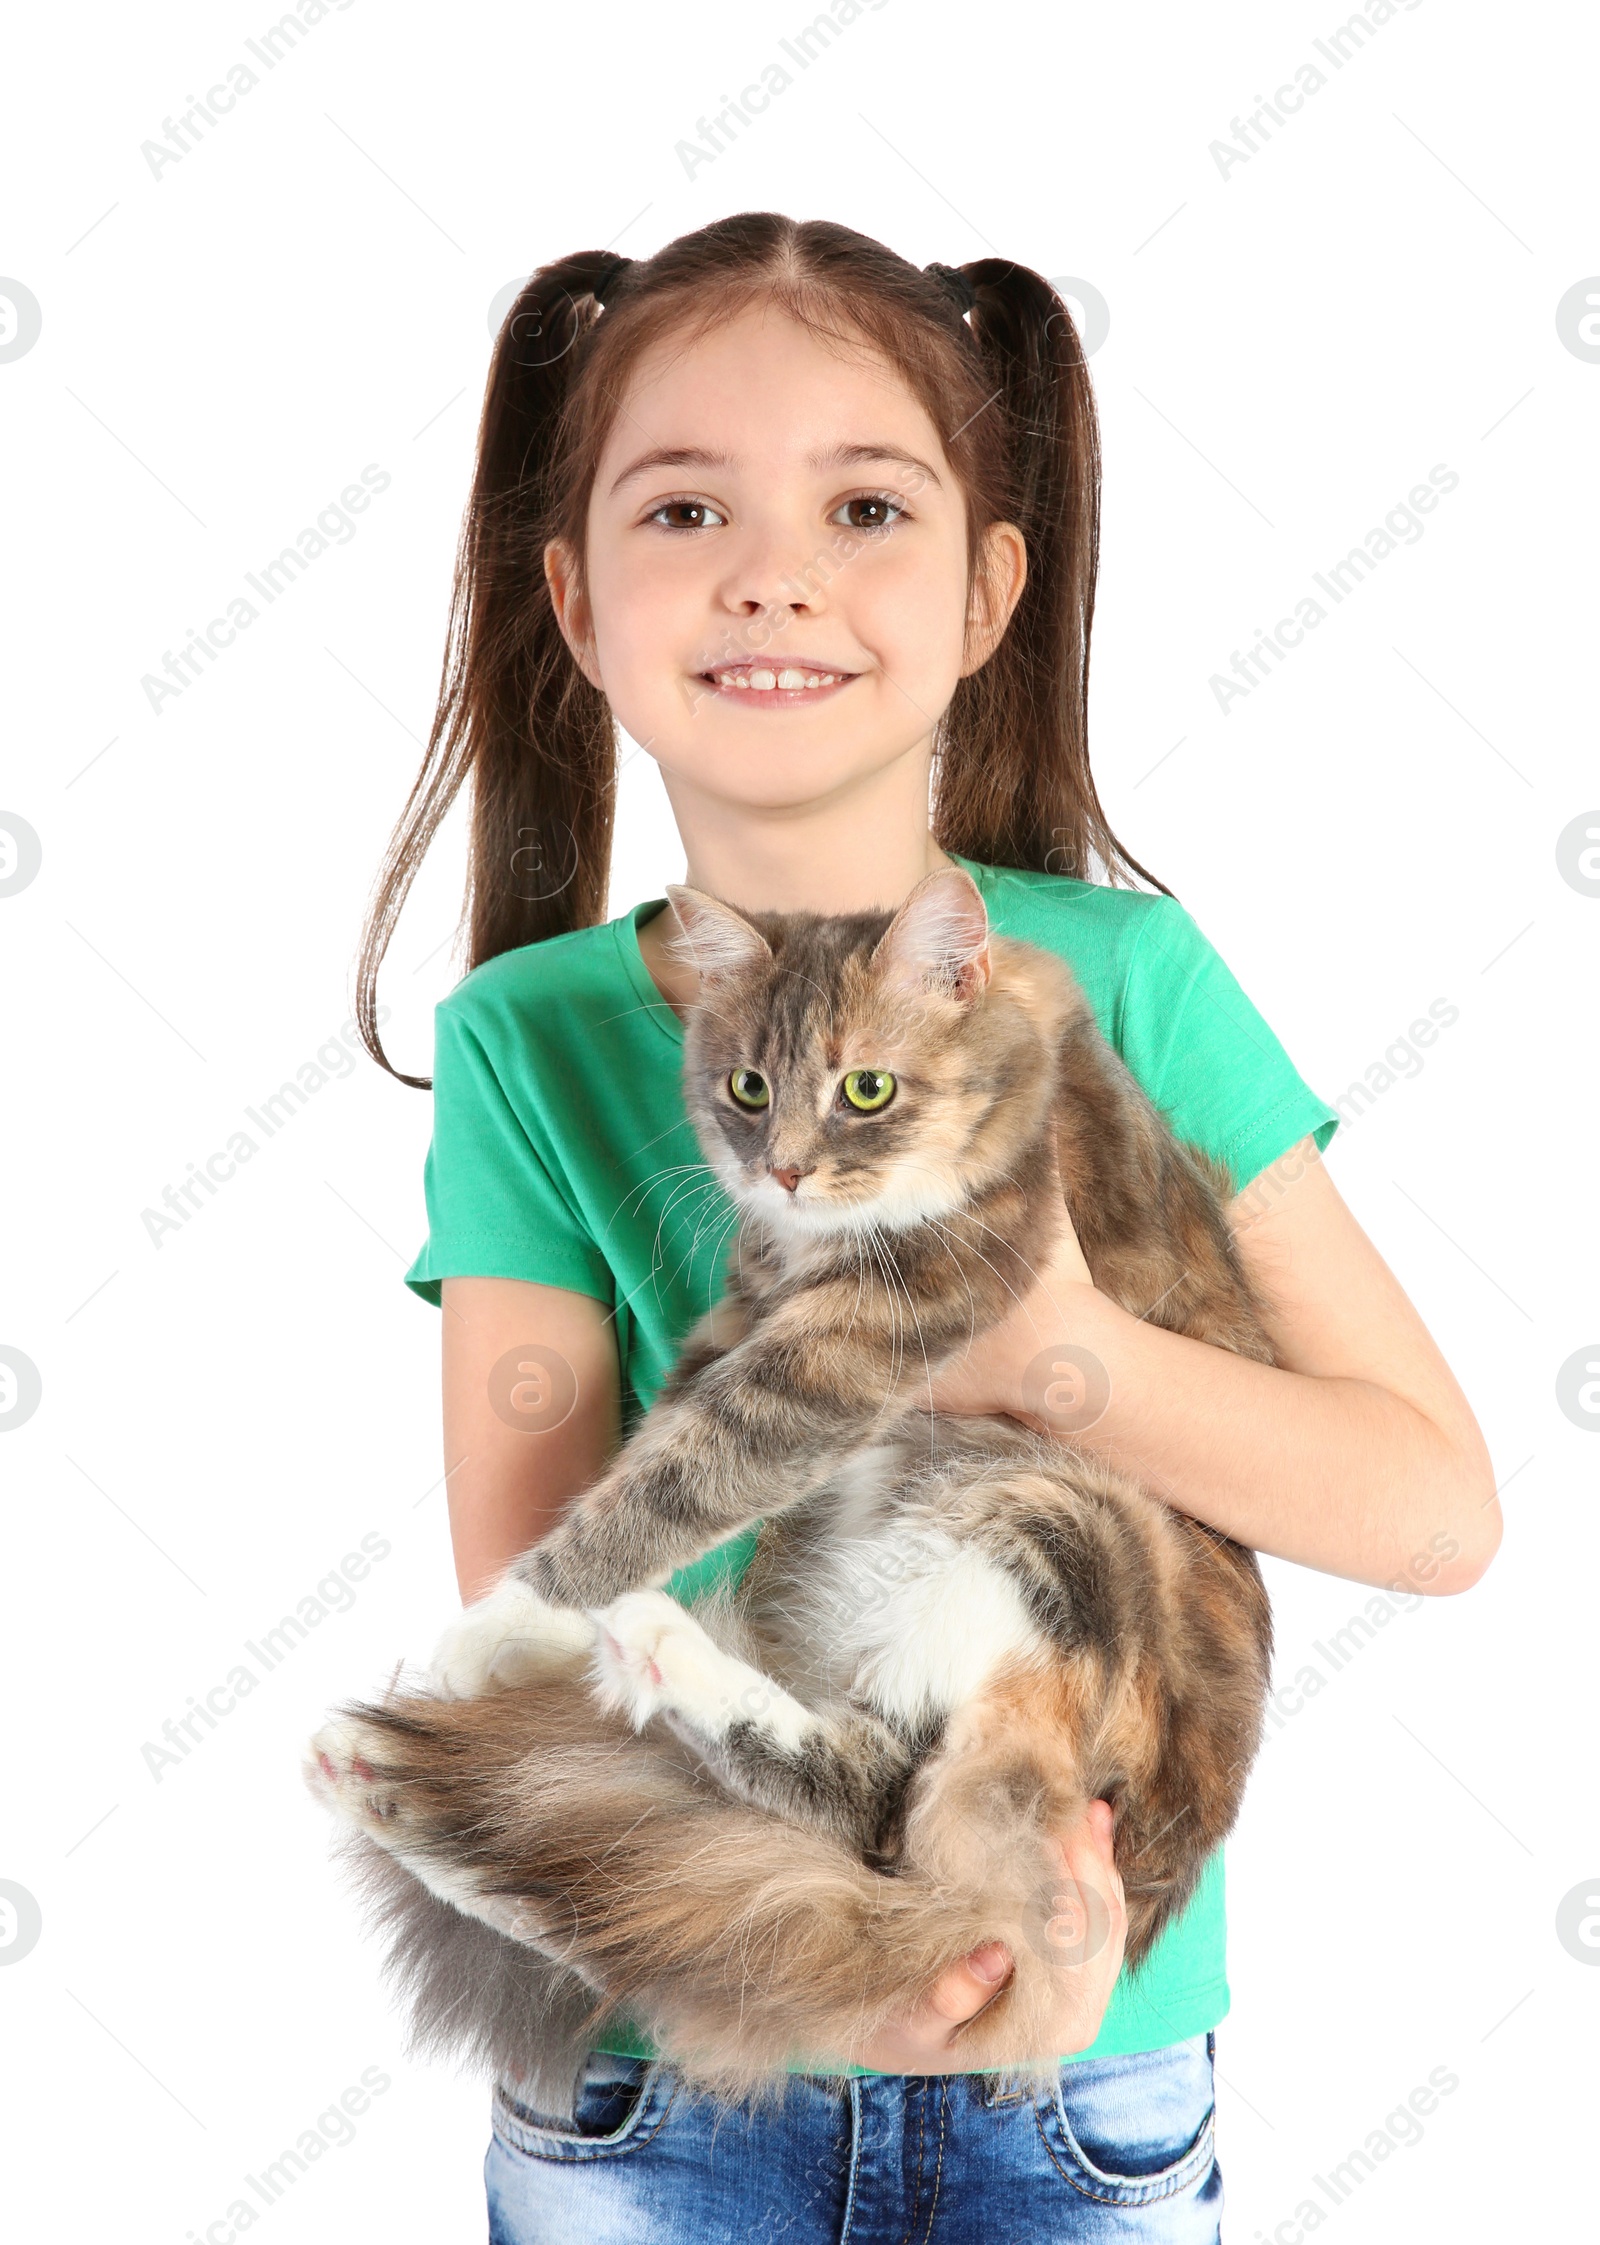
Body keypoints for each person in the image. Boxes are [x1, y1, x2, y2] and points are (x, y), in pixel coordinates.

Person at [356, 213, 1500, 2243]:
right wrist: (810, 1946)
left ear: (985, 593)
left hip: (1072, 2063)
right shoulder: (528, 1036)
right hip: (667, 2082)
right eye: (684, 505)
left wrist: (1045, 1351)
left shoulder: (1117, 979)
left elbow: (1432, 1511)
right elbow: (542, 1598)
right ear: (573, 601)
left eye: (862, 504)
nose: (771, 570)